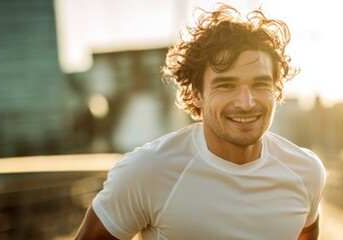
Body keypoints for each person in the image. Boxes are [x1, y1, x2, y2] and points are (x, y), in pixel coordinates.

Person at [75, 4, 326, 240]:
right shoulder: (146, 172)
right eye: (226, 85)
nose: (246, 102)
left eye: (260, 84)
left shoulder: (306, 171)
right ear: (197, 94)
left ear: (277, 90)